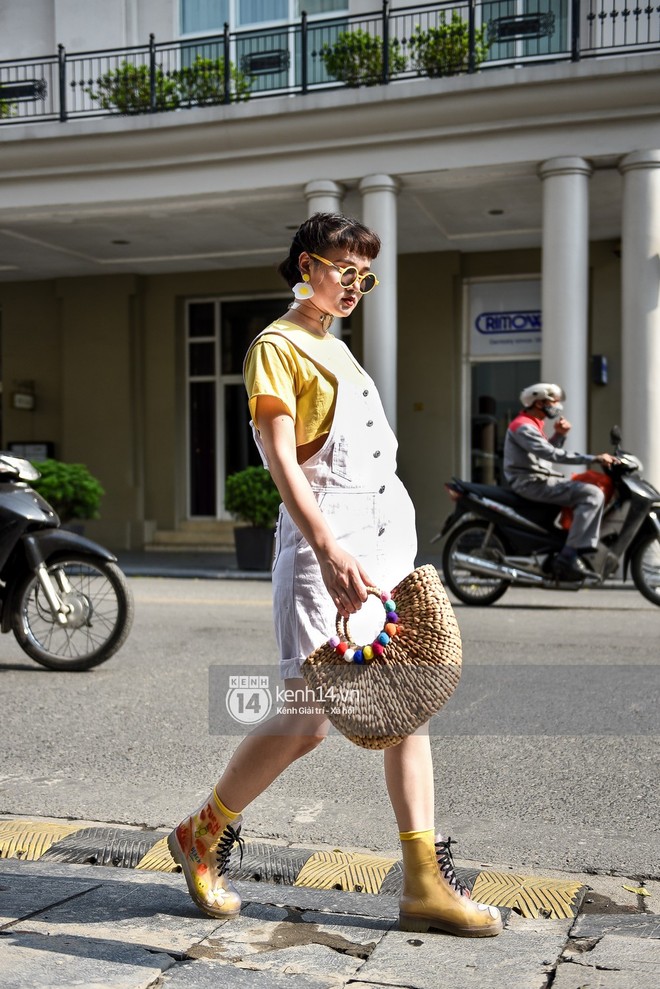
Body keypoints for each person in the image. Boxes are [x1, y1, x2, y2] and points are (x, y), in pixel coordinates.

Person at [167, 212, 503, 938]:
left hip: (380, 546)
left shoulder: (339, 351)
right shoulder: (276, 346)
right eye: (342, 268)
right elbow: (282, 456)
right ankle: (201, 833)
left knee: (409, 699)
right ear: (303, 265)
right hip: (328, 551)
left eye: (364, 274)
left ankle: (423, 882)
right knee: (308, 720)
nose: (353, 284)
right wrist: (326, 546)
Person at [503, 383, 617, 580]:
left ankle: (571, 545)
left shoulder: (531, 423)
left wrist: (559, 435)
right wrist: (594, 458)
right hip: (531, 483)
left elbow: (543, 453)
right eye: (552, 402)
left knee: (588, 486)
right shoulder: (524, 426)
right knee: (592, 494)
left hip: (539, 479)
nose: (557, 406)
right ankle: (569, 555)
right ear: (539, 403)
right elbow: (551, 454)